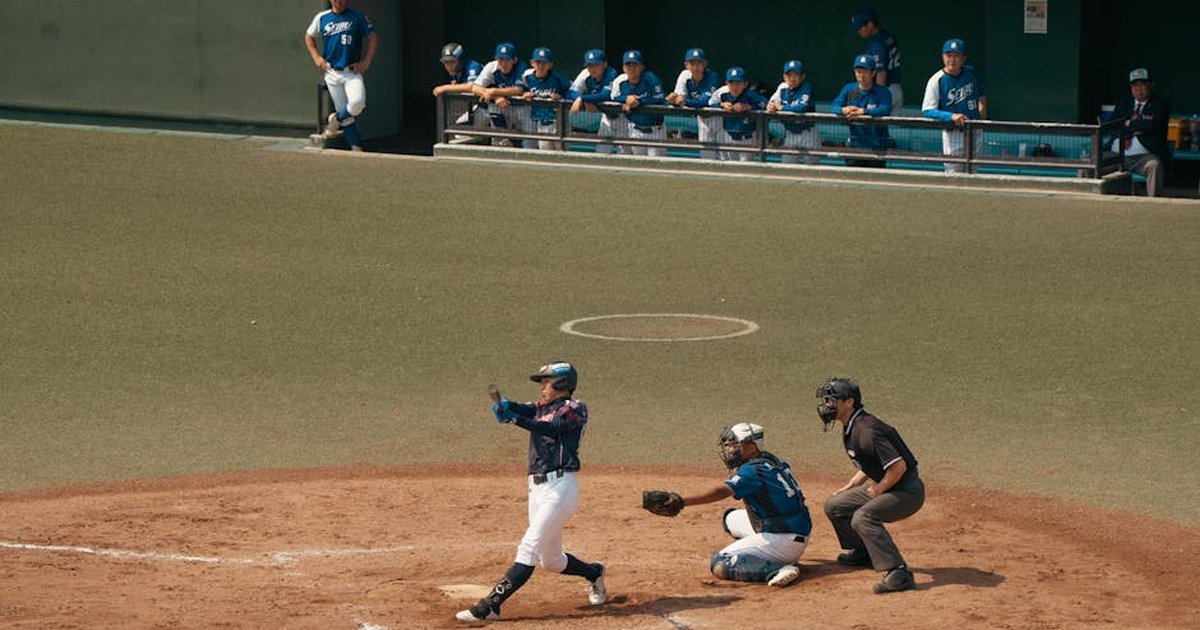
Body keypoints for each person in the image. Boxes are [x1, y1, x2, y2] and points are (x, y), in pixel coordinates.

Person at [456, 361, 607, 623]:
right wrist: (508, 407)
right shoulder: (541, 408)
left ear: (561, 383)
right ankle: (594, 572)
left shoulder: (575, 408)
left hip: (560, 490)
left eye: (546, 382)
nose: (542, 388)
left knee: (529, 548)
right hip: (537, 490)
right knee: (550, 561)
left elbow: (551, 427)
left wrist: (514, 419)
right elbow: (525, 409)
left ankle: (491, 606)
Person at [642, 423, 811, 588]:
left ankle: (777, 569)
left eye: (735, 445)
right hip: (790, 528)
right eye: (729, 445)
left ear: (752, 447)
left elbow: (721, 491)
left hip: (784, 539)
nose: (730, 450)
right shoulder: (771, 461)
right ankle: (767, 554)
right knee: (729, 519)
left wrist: (681, 501)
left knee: (720, 563)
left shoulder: (752, 471)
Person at [816, 377, 924, 595]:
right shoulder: (853, 425)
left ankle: (899, 572)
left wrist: (878, 490)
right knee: (836, 505)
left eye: (832, 401)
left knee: (863, 516)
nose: (827, 406)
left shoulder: (867, 430)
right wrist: (851, 485)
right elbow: (870, 463)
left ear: (849, 402)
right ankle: (865, 551)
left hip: (907, 491)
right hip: (891, 485)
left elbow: (898, 467)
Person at [304, 0, 378, 152]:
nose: (339, 1)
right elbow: (309, 36)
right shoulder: (322, 17)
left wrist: (366, 61)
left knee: (357, 104)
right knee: (345, 112)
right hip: (331, 71)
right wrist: (316, 57)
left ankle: (335, 119)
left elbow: (373, 37)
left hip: (351, 70)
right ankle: (355, 145)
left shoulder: (356, 16)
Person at [921, 38, 987, 174]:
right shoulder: (936, 80)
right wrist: (951, 116)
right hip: (953, 132)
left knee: (973, 171)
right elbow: (927, 110)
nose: (952, 59)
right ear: (943, 57)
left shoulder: (971, 73)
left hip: (975, 129)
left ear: (964, 58)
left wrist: (982, 106)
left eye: (956, 56)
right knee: (953, 172)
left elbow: (981, 92)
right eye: (949, 55)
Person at [1111, 67, 1171, 197]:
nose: (1138, 89)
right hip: (1116, 155)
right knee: (1089, 163)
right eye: (1135, 85)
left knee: (1155, 166)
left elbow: (1152, 126)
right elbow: (1112, 125)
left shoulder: (1160, 104)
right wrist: (1136, 128)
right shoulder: (1124, 103)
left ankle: (1154, 206)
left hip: (1143, 157)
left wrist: (1129, 123)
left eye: (1143, 85)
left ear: (1151, 85)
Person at [831, 54, 893, 168]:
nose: (861, 75)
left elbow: (885, 109)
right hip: (855, 145)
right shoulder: (849, 89)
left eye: (865, 71)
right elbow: (834, 106)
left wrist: (864, 112)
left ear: (873, 73)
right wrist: (843, 110)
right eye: (858, 71)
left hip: (877, 147)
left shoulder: (883, 92)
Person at [517, 47, 577, 150]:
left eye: (544, 63)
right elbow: (518, 89)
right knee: (545, 155)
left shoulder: (559, 79)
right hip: (542, 123)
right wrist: (524, 93)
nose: (541, 65)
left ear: (550, 64)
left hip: (559, 123)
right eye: (538, 62)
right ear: (532, 63)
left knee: (562, 155)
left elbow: (572, 91)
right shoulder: (527, 77)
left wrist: (561, 97)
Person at [610, 50, 667, 157]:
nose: (632, 69)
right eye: (628, 65)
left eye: (635, 65)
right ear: (624, 68)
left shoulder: (650, 78)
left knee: (657, 165)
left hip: (655, 131)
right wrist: (626, 99)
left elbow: (660, 98)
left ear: (641, 67)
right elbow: (614, 97)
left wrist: (639, 102)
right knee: (639, 163)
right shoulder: (621, 82)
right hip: (636, 130)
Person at [667, 48, 722, 160]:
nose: (696, 67)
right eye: (692, 63)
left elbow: (705, 102)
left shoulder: (712, 77)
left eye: (699, 63)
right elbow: (678, 98)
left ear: (705, 64)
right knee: (707, 158)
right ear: (686, 65)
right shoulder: (685, 76)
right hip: (702, 120)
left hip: (720, 120)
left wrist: (684, 101)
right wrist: (671, 99)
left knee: (725, 157)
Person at [472, 42, 529, 146]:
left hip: (521, 108)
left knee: (530, 141)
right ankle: (501, 140)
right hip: (502, 105)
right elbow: (475, 87)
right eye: (500, 59)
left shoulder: (521, 66)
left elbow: (518, 90)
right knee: (493, 107)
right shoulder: (492, 66)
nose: (503, 63)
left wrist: (494, 91)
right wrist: (496, 97)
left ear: (514, 60)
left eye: (507, 60)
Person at [767, 59, 820, 165]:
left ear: (803, 76)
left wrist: (782, 108)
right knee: (786, 165)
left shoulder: (806, 87)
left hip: (808, 133)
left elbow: (802, 107)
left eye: (796, 74)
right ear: (784, 77)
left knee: (812, 168)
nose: (792, 78)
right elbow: (770, 105)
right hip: (790, 134)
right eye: (789, 75)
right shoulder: (782, 88)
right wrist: (771, 106)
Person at [709, 67, 767, 162]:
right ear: (727, 83)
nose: (735, 87)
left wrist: (749, 107)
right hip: (729, 136)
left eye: (738, 83)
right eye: (732, 83)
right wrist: (721, 105)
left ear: (745, 84)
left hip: (747, 137)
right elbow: (710, 103)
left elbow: (765, 104)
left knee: (745, 166)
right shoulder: (723, 93)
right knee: (731, 165)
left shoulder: (750, 94)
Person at [569, 49, 620, 154]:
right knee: (601, 152)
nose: (592, 69)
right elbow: (571, 92)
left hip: (623, 118)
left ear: (604, 64)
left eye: (597, 65)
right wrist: (585, 101)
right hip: (607, 118)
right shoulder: (586, 73)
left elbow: (605, 96)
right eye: (590, 65)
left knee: (626, 154)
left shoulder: (611, 73)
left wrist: (583, 99)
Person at [850, 8, 903, 108]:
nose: (858, 31)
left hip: (886, 88)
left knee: (876, 121)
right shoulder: (886, 36)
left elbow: (881, 72)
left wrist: (880, 96)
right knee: (893, 123)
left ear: (870, 24)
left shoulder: (876, 43)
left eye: (860, 28)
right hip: (896, 87)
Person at [432, 42, 485, 128]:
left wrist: (444, 88)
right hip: (478, 106)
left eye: (452, 62)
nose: (449, 66)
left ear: (460, 60)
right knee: (458, 129)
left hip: (496, 105)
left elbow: (471, 87)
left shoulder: (473, 66)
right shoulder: (455, 72)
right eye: (446, 62)